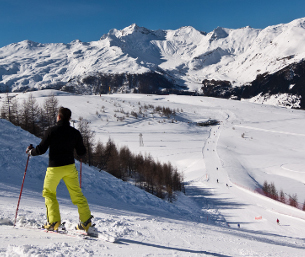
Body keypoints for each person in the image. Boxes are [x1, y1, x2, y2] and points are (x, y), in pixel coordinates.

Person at [26, 107, 93, 232]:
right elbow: (81, 152)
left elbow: (41, 149)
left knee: (49, 193)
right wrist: (81, 151)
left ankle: (54, 222)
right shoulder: (75, 132)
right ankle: (86, 223)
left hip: (54, 168)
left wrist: (30, 152)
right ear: (69, 118)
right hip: (69, 167)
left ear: (59, 117)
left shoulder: (51, 131)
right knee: (77, 195)